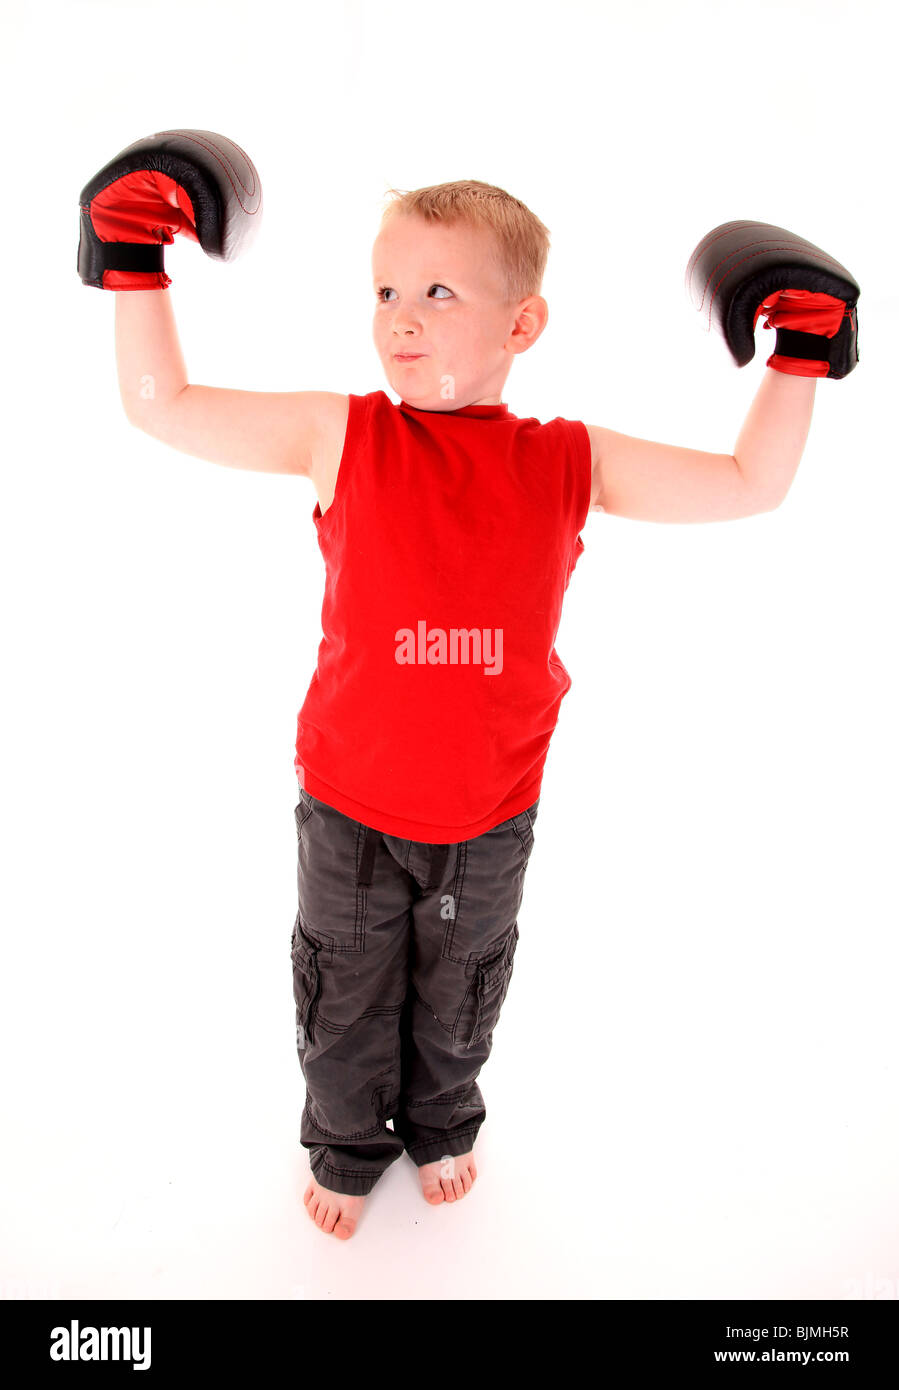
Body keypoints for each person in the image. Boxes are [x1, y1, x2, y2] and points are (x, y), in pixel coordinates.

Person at [92, 140, 849, 1240]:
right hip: (350, 805)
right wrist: (131, 260)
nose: (398, 317)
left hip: (489, 814)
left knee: (461, 994)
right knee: (344, 996)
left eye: (435, 292)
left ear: (519, 326)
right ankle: (348, 1140)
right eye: (384, 292)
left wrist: (798, 356)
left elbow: (748, 485)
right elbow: (162, 406)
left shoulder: (564, 459)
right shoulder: (340, 434)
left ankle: (442, 1120)